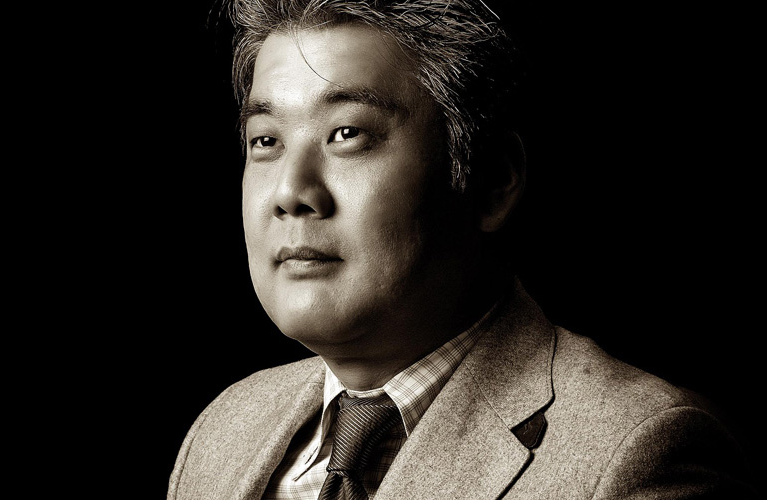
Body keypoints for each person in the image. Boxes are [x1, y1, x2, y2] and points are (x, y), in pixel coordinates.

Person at [168, 1, 753, 498]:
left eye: (348, 134)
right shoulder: (224, 431)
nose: (291, 193)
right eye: (266, 140)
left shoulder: (635, 454)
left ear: (492, 181)